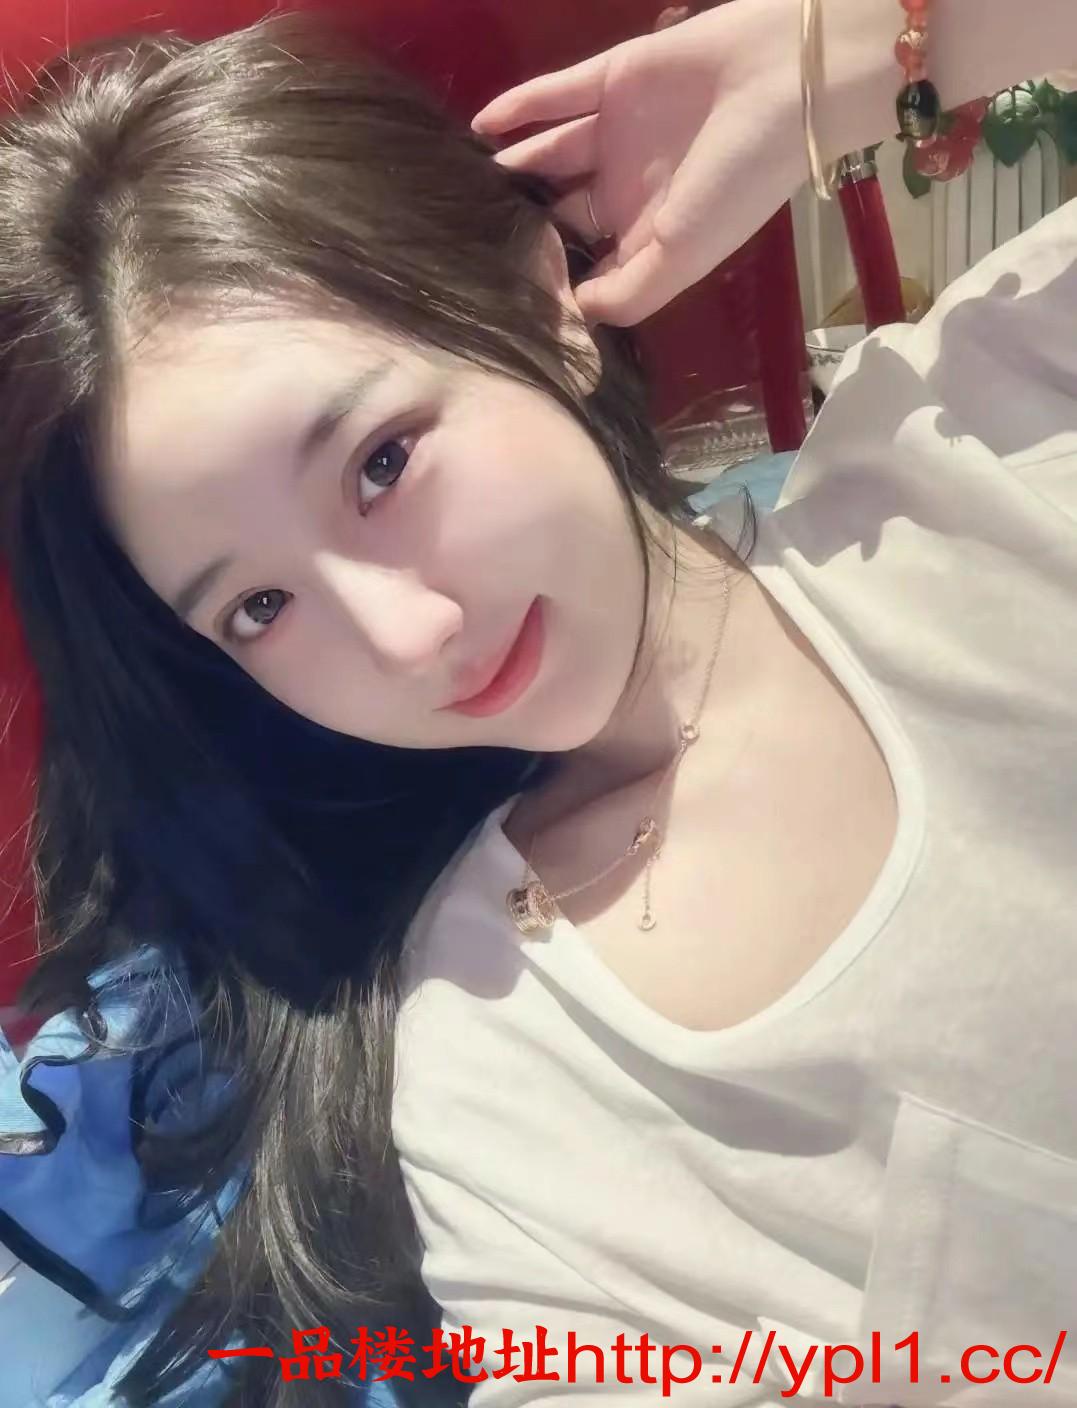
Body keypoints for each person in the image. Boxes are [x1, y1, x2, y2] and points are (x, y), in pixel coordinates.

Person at [0, 0, 1074, 1404]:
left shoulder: (986, 436)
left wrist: (858, 47)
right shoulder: (501, 1078)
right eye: (257, 607)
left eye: (382, 464)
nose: (405, 638)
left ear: (533, 305)